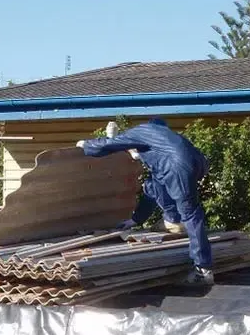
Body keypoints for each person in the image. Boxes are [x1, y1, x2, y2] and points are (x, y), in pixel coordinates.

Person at [77, 118, 214, 285]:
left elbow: (110, 144)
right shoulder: (167, 137)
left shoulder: (142, 131)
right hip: (197, 162)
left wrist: (85, 145)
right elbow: (151, 192)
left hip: (176, 166)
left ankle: (203, 268)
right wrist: (135, 220)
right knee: (154, 184)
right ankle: (173, 221)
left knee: (190, 212)